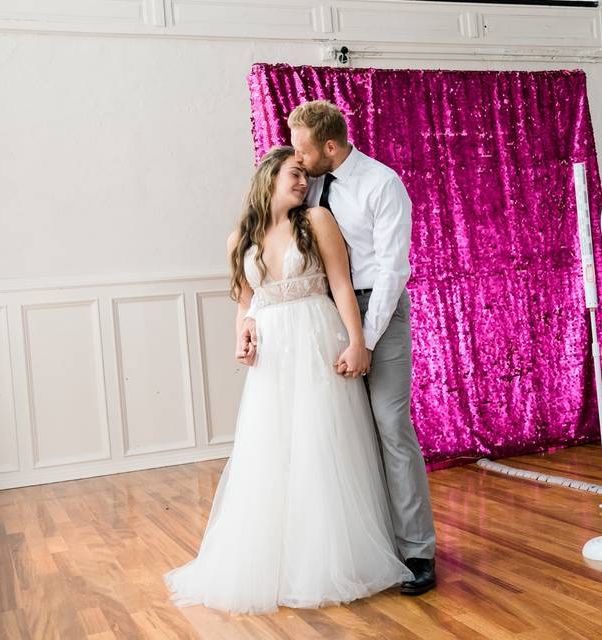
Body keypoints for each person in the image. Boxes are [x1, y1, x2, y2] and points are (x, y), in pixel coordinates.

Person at [165, 146, 412, 615]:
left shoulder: (317, 220)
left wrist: (358, 342)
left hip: (318, 339)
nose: (303, 181)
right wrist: (243, 335)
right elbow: (245, 300)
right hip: (275, 354)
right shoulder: (241, 235)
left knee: (324, 446)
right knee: (273, 449)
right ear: (269, 177)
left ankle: (332, 557)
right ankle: (278, 560)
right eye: (294, 173)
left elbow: (341, 284)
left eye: (304, 173)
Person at [243, 100, 437, 595]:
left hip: (379, 309)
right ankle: (370, 543)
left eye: (305, 152)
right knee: (340, 430)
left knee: (391, 424)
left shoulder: (382, 185)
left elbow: (392, 271)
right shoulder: (312, 186)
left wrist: (364, 340)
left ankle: (417, 550)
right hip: (323, 314)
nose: (299, 165)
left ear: (330, 146)